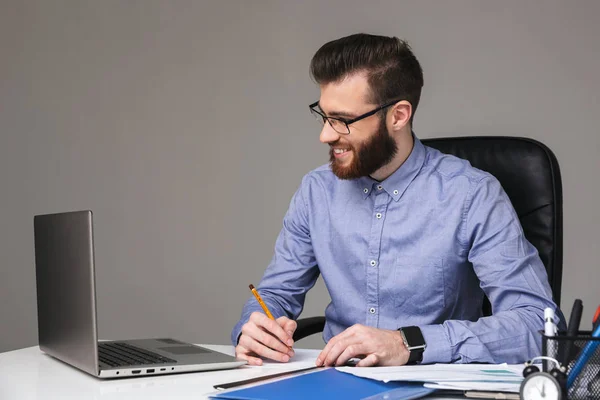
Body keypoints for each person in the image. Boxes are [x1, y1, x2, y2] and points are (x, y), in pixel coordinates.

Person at [231, 33, 565, 367]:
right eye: (324, 115)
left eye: (343, 121)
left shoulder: (472, 194)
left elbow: (537, 325)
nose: (326, 135)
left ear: (398, 116)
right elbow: (275, 295)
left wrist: (409, 343)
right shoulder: (316, 191)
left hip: (434, 385)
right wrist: (256, 326)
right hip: (333, 382)